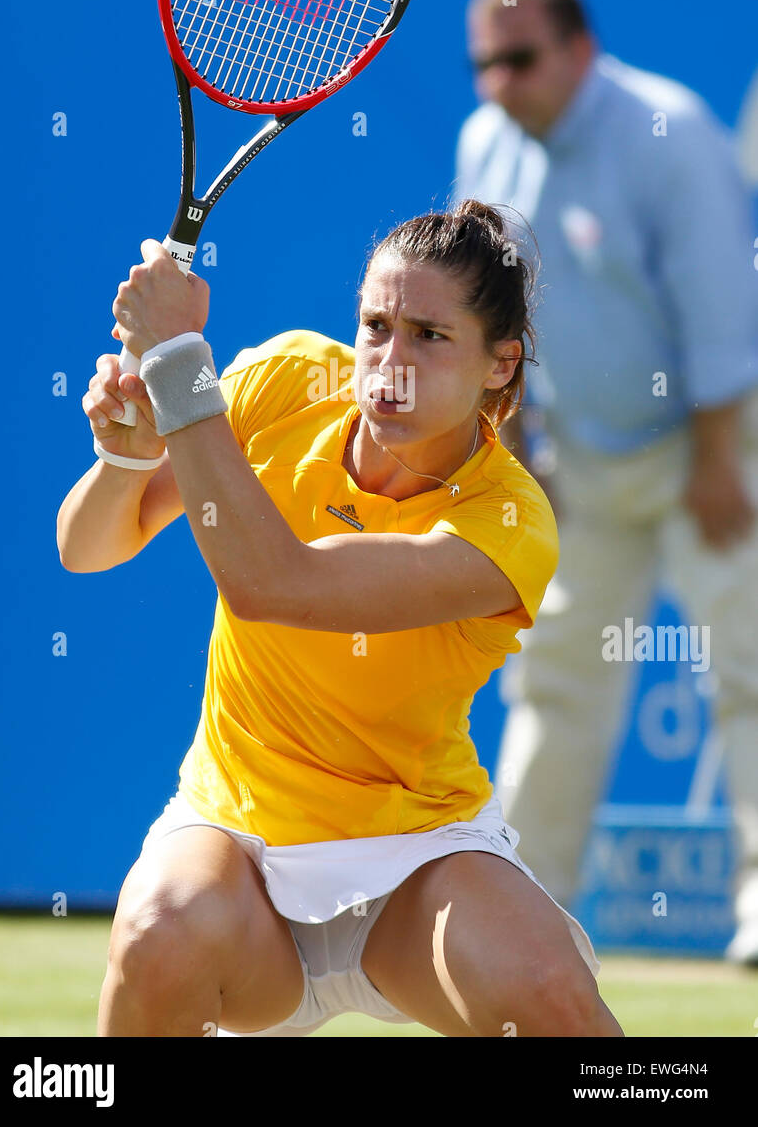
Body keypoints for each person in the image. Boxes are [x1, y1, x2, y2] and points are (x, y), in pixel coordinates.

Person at [56, 201, 622, 1037]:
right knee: (154, 935)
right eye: (376, 325)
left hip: (416, 857)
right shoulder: (284, 381)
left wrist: (178, 363)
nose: (389, 363)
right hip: (233, 840)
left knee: (554, 997)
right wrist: (128, 456)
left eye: (430, 336)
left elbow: (273, 584)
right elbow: (87, 545)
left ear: (500, 366)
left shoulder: (509, 523)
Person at [454, 0, 758, 965]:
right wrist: (521, 451)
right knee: (554, 682)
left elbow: (722, 306)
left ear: (581, 50)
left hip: (714, 446)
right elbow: (488, 327)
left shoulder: (667, 131)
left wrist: (718, 460)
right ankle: (528, 911)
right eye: (484, 64)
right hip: (581, 461)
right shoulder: (484, 145)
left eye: (522, 58)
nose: (500, 82)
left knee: (750, 671)